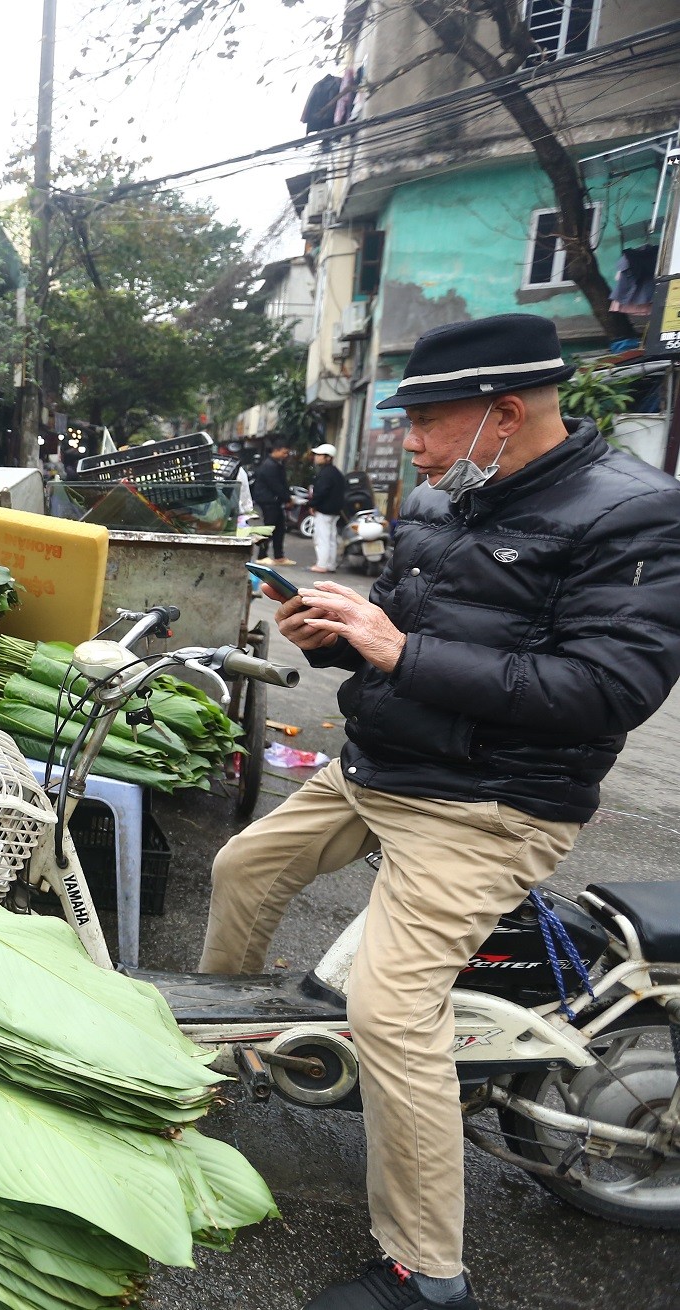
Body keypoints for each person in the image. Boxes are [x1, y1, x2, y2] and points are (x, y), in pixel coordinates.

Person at [200, 314, 680, 1310]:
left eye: (423, 420)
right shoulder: (440, 495)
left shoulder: (633, 516)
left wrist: (394, 649)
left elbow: (601, 689)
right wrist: (334, 633)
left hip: (490, 804)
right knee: (241, 866)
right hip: (385, 763)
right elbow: (403, 634)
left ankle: (428, 1273)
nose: (408, 443)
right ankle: (222, 1065)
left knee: (388, 1008)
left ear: (503, 415)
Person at [251, 441, 296, 564]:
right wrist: (288, 498)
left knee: (279, 528)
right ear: (276, 450)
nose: (286, 455)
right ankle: (261, 555)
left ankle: (279, 556)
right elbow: (276, 486)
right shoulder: (269, 466)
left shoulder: (276, 464)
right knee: (269, 529)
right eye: (284, 452)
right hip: (269, 501)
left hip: (274, 501)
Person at [307, 442, 348, 572]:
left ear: (328, 458)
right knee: (331, 538)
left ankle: (322, 564)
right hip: (334, 512)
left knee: (322, 538)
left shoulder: (326, 474)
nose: (316, 457)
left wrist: (312, 504)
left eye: (320, 455)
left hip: (324, 511)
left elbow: (321, 492)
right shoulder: (336, 473)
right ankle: (330, 564)